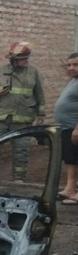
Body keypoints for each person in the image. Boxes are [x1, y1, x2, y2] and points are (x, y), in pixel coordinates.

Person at [0, 42, 46, 186]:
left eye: (27, 58)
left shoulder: (34, 73)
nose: (26, 61)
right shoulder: (0, 71)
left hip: (22, 120)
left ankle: (19, 178)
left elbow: (40, 94)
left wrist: (41, 114)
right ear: (13, 60)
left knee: (21, 150)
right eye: (23, 59)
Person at [55, 53, 78, 204]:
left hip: (74, 127)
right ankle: (70, 188)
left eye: (75, 65)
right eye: (69, 65)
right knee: (71, 159)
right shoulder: (74, 81)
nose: (71, 68)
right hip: (67, 127)